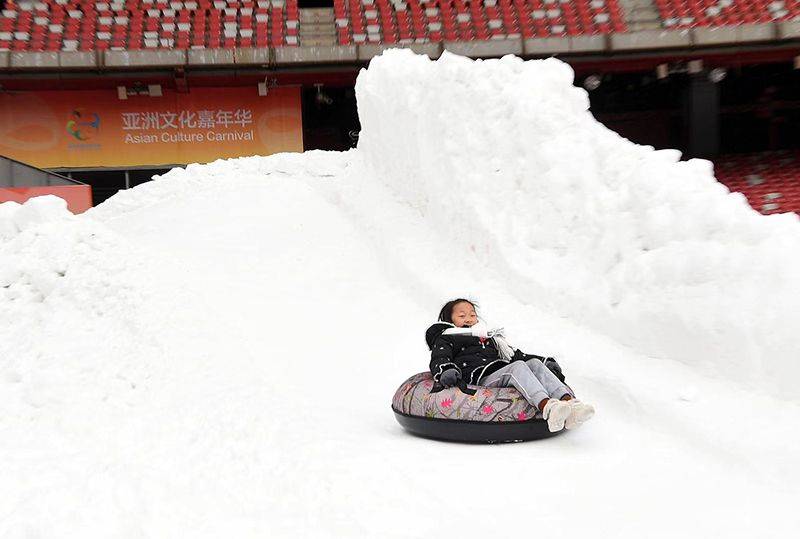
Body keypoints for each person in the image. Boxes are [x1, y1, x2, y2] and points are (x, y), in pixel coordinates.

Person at [426, 298, 595, 432]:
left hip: (500, 370)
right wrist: (446, 369)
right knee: (518, 367)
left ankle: (571, 405)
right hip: (480, 377)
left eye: (472, 314)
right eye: (462, 316)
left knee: (533, 364)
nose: (469, 319)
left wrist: (545, 362)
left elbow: (514, 355)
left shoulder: (489, 337)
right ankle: (548, 408)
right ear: (450, 320)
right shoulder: (448, 336)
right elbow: (440, 357)